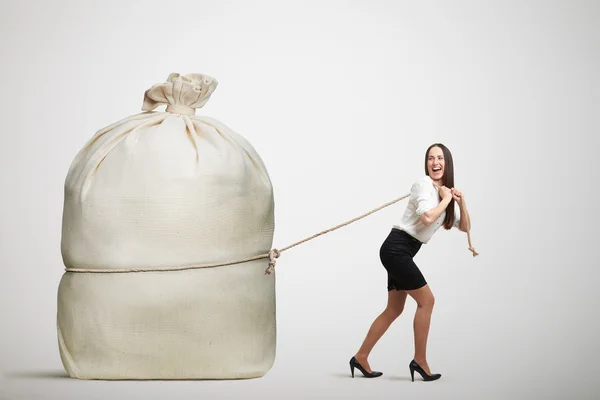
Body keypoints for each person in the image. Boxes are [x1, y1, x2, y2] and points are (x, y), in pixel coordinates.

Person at [349, 143, 472, 382]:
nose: (435, 163)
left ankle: (360, 357)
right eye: (430, 159)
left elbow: (465, 226)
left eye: (440, 158)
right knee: (427, 301)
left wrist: (460, 201)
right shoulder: (424, 186)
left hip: (400, 251)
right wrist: (446, 200)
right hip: (397, 249)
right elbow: (427, 218)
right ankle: (420, 361)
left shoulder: (442, 193)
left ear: (447, 163)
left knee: (394, 309)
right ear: (426, 164)